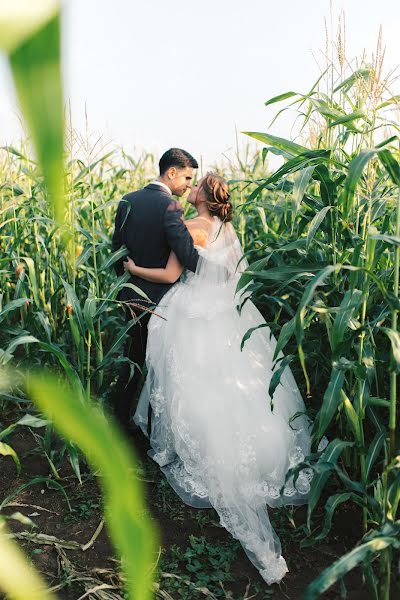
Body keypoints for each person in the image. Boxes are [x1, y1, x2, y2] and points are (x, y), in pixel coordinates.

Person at [123, 173, 314, 585]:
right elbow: (230, 279)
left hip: (192, 313)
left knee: (192, 383)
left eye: (196, 186)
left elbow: (173, 275)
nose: (189, 190)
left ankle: (209, 454)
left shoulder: (190, 227)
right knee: (241, 384)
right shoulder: (229, 231)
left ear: (204, 198)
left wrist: (134, 266)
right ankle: (262, 451)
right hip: (229, 315)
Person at [110, 148, 199, 431]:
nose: (188, 185)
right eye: (186, 177)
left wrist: (126, 285)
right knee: (159, 365)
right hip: (161, 300)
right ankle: (151, 426)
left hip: (131, 294)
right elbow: (184, 250)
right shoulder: (170, 206)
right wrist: (217, 270)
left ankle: (118, 419)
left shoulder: (128, 200)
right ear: (171, 173)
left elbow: (117, 249)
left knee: (133, 358)